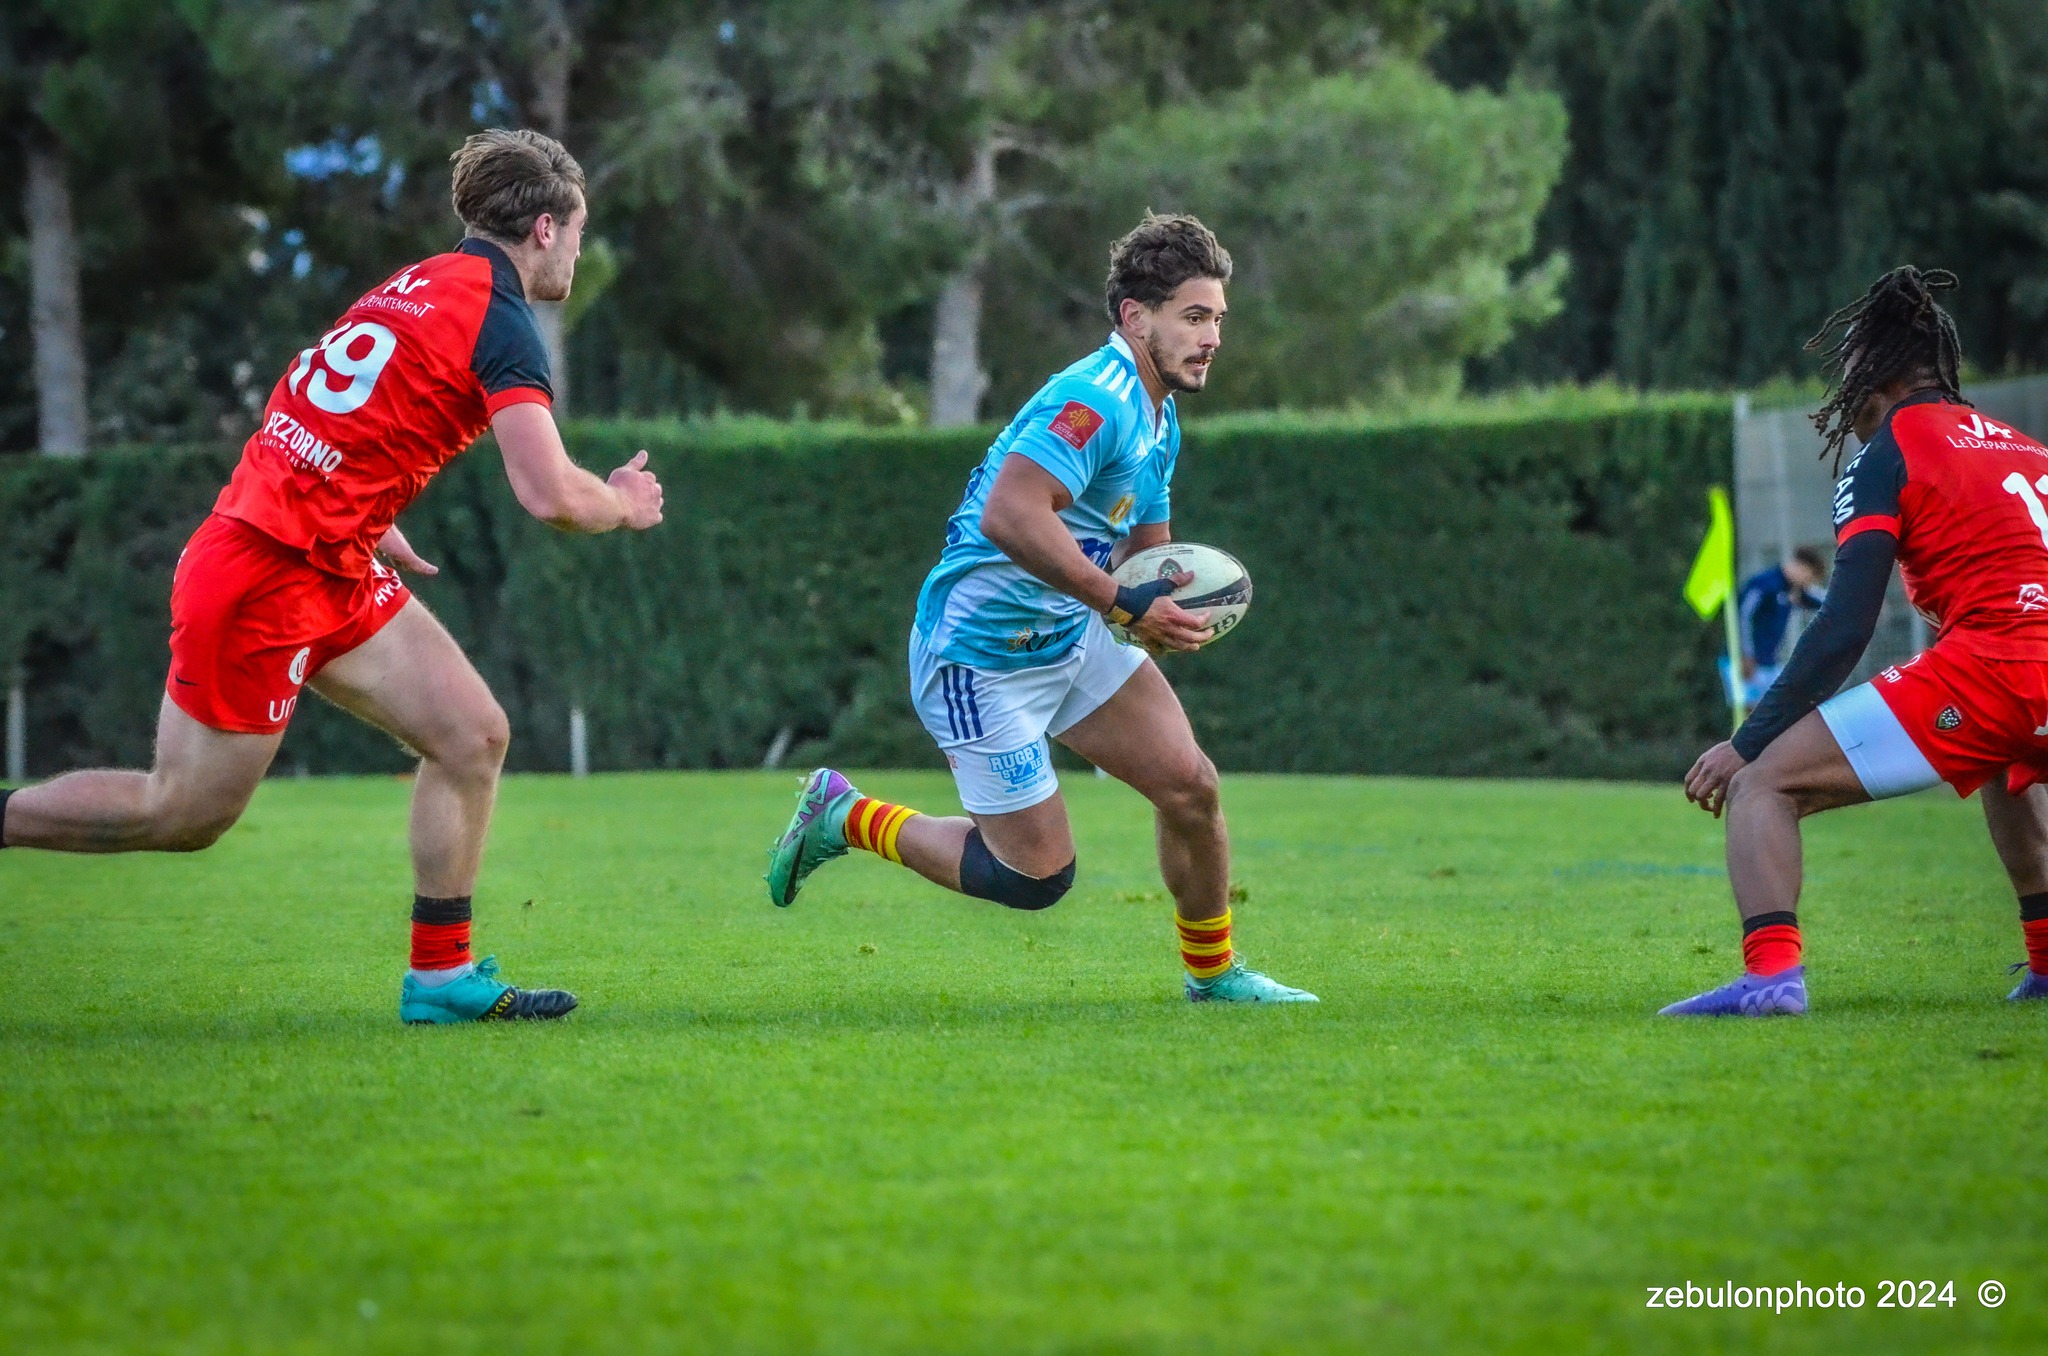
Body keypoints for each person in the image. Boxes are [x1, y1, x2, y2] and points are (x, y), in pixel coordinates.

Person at [0, 129, 665, 1025]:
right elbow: (549, 494)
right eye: (580, 234)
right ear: (545, 228)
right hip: (264, 572)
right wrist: (622, 499)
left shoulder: (416, 282)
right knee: (185, 814)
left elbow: (311, 397)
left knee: (471, 736)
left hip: (330, 559)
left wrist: (366, 509)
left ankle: (439, 978)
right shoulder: (500, 320)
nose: (579, 254)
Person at [764, 213, 1315, 1003]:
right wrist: (1124, 601)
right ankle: (844, 815)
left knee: (1190, 787)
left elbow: (1145, 560)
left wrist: (1162, 609)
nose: (1212, 337)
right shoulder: (1095, 398)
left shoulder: (1159, 419)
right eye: (1194, 317)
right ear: (1136, 317)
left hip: (1072, 634)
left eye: (1218, 319)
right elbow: (1011, 516)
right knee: (1031, 878)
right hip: (980, 658)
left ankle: (1215, 976)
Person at [1671, 265, 2048, 1015]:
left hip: (1997, 667)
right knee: (2009, 769)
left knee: (1763, 785)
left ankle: (1770, 978)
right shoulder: (2026, 448)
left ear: (1876, 376)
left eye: (1847, 372)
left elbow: (1845, 626)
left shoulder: (1889, 454)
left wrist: (1747, 741)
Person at [1731, 547, 1829, 705]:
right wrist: (1746, 654)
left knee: (1779, 711)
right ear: (1802, 568)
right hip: (1746, 663)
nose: (1807, 584)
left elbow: (1825, 601)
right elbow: (1743, 617)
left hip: (1768, 663)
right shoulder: (1764, 584)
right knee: (1748, 716)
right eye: (1809, 578)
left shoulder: (1793, 590)